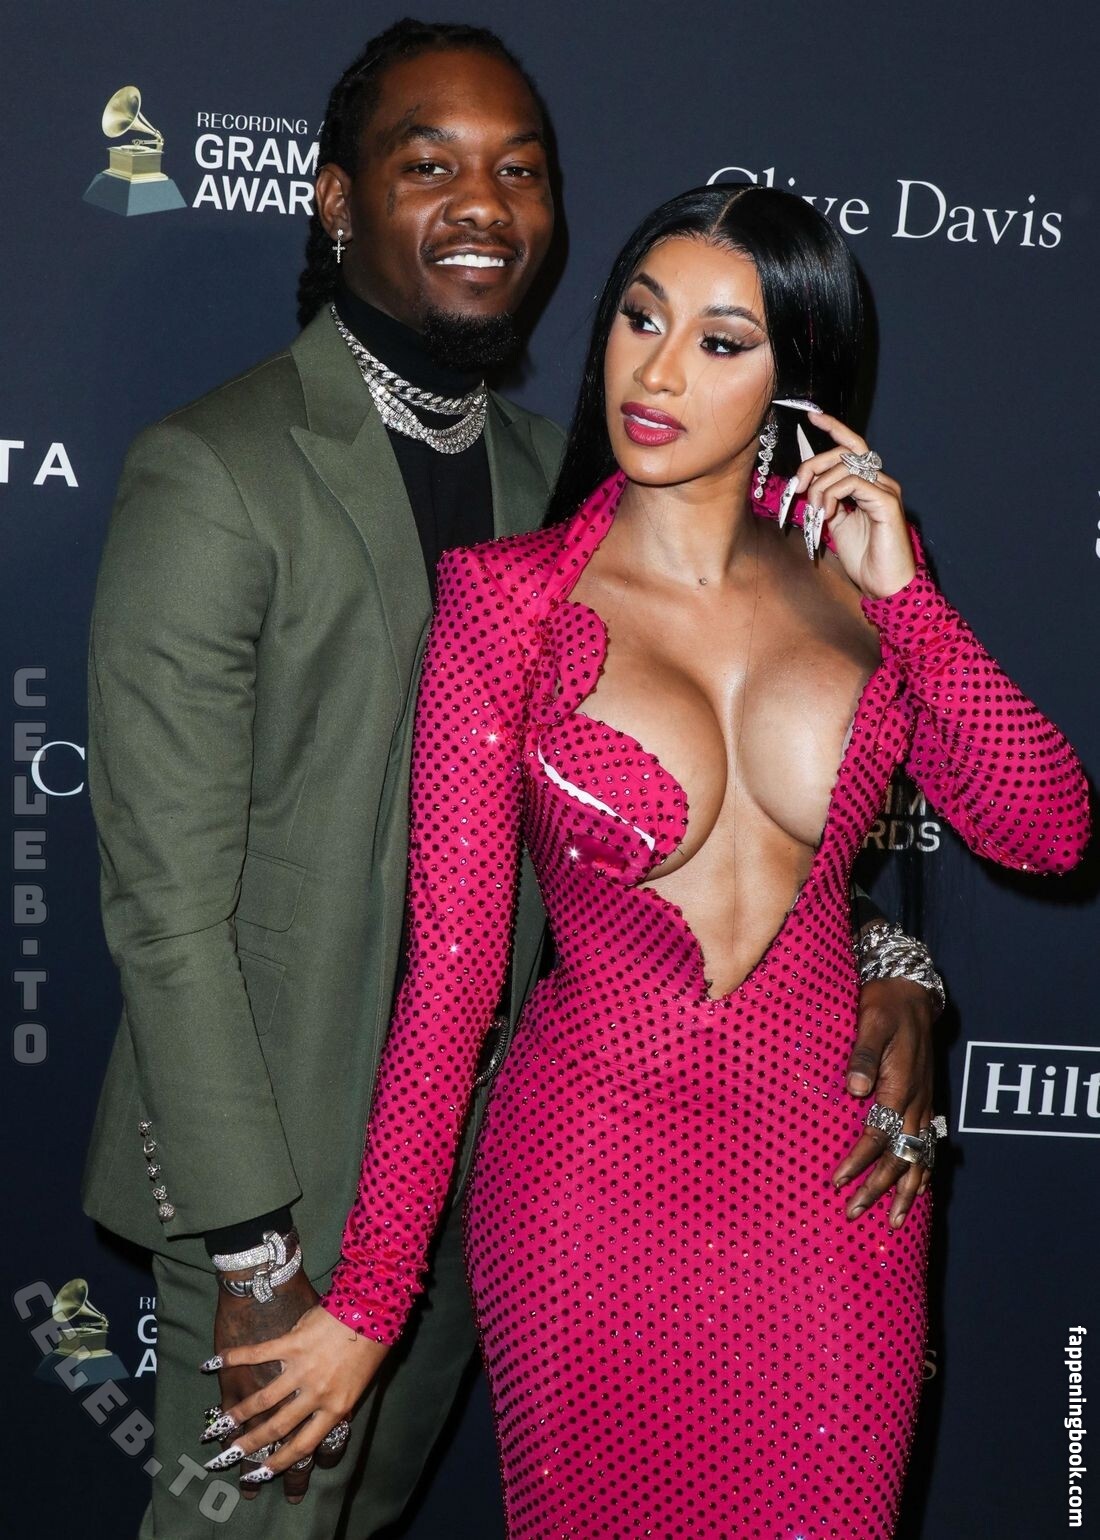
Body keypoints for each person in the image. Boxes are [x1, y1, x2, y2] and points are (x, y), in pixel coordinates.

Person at [83, 18, 943, 1530]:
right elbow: (165, 907)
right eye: (430, 164)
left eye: (520, 171)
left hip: (513, 1161)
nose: (482, 203)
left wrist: (892, 970)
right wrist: (251, 1245)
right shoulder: (216, 471)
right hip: (283, 1163)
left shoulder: (578, 478)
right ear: (336, 198)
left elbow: (760, 801)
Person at [211, 184, 1089, 1537]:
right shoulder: (506, 604)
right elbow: (451, 980)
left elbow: (1047, 829)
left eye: (721, 341)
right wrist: (373, 1298)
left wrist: (912, 601)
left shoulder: (861, 583)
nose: (659, 370)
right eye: (640, 318)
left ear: (799, 375)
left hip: (830, 1196)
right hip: (585, 1191)